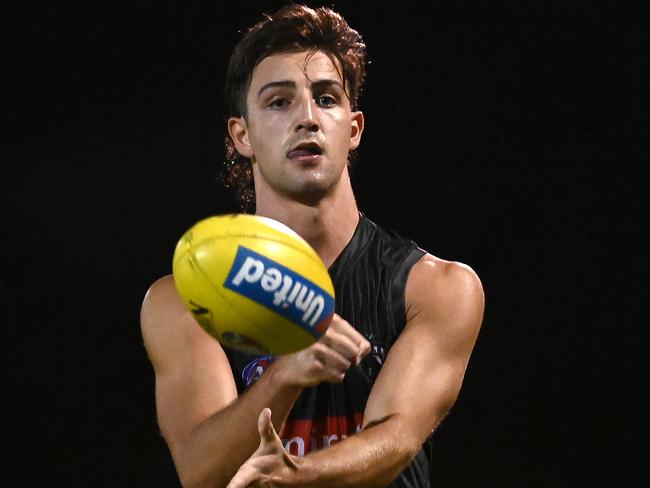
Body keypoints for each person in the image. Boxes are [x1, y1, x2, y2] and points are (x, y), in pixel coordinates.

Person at [141, 4, 484, 487]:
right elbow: (202, 471)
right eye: (279, 102)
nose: (307, 118)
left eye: (326, 98)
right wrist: (285, 375)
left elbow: (397, 440)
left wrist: (293, 475)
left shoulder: (436, 288)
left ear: (354, 128)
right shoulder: (182, 300)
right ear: (242, 135)